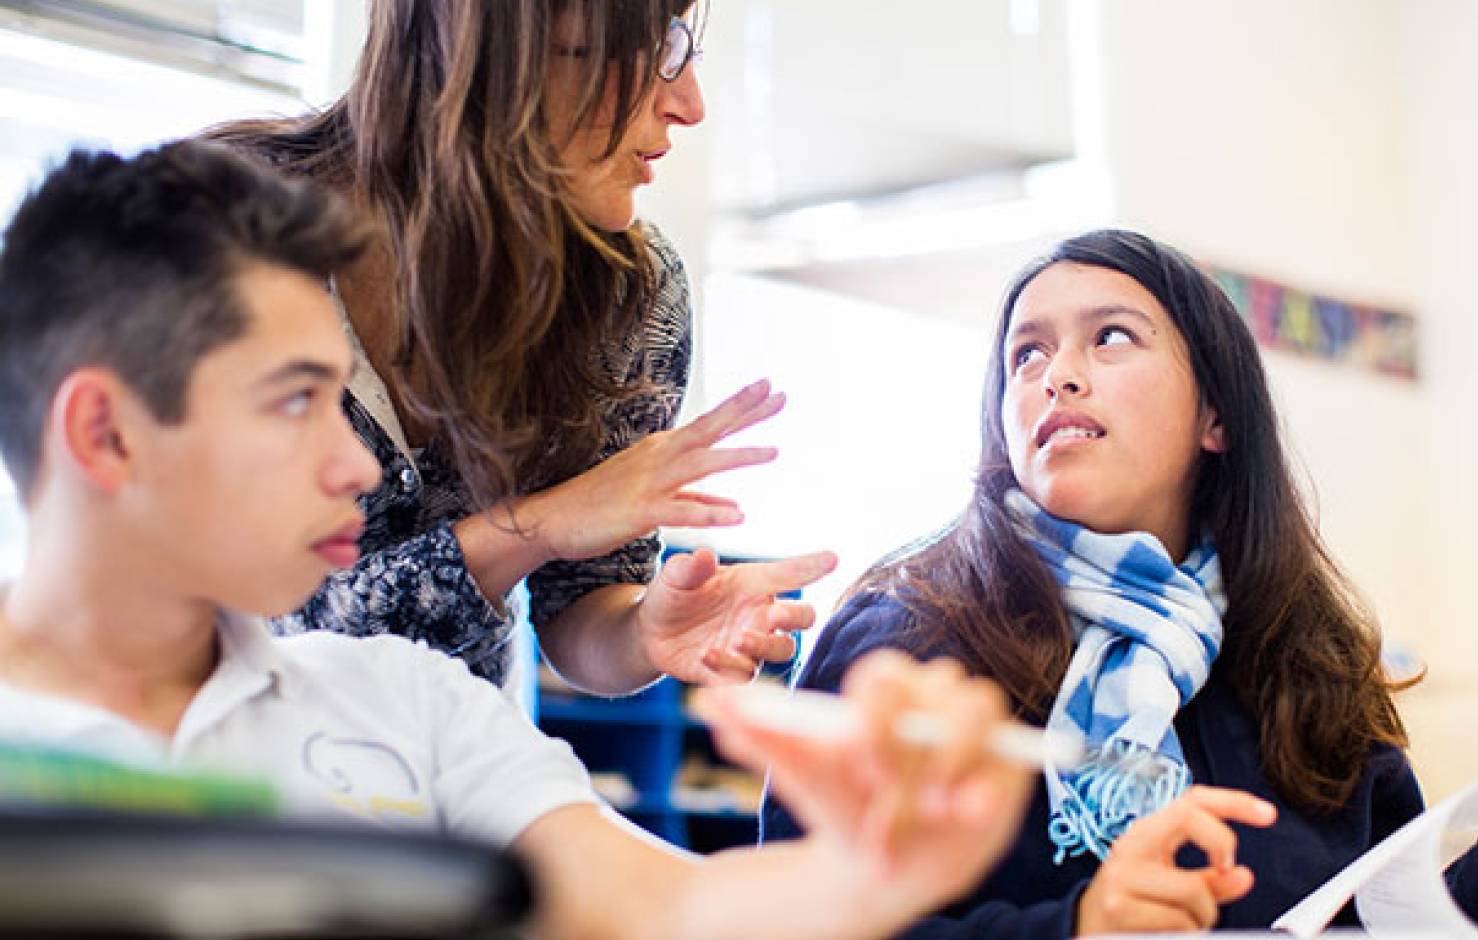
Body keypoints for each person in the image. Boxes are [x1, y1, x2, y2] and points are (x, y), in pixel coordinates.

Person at [0, 139, 1037, 938]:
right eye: (295, 402)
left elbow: (668, 912)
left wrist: (875, 863)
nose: (360, 466)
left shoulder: (413, 707)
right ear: (105, 431)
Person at [762, 228, 1478, 936]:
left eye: (1109, 339)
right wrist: (1080, 926)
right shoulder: (908, 637)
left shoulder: (1301, 653)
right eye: (1026, 355)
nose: (1058, 377)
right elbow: (797, 920)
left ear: (1215, 418)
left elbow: (1351, 919)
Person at [207, 0, 822, 690]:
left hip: (444, 777)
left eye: (681, 50)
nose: (688, 103)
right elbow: (260, 624)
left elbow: (582, 608)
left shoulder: (630, 294)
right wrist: (537, 526)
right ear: (497, 44)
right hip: (176, 771)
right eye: (650, 49)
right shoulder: (211, 221)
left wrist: (648, 630)